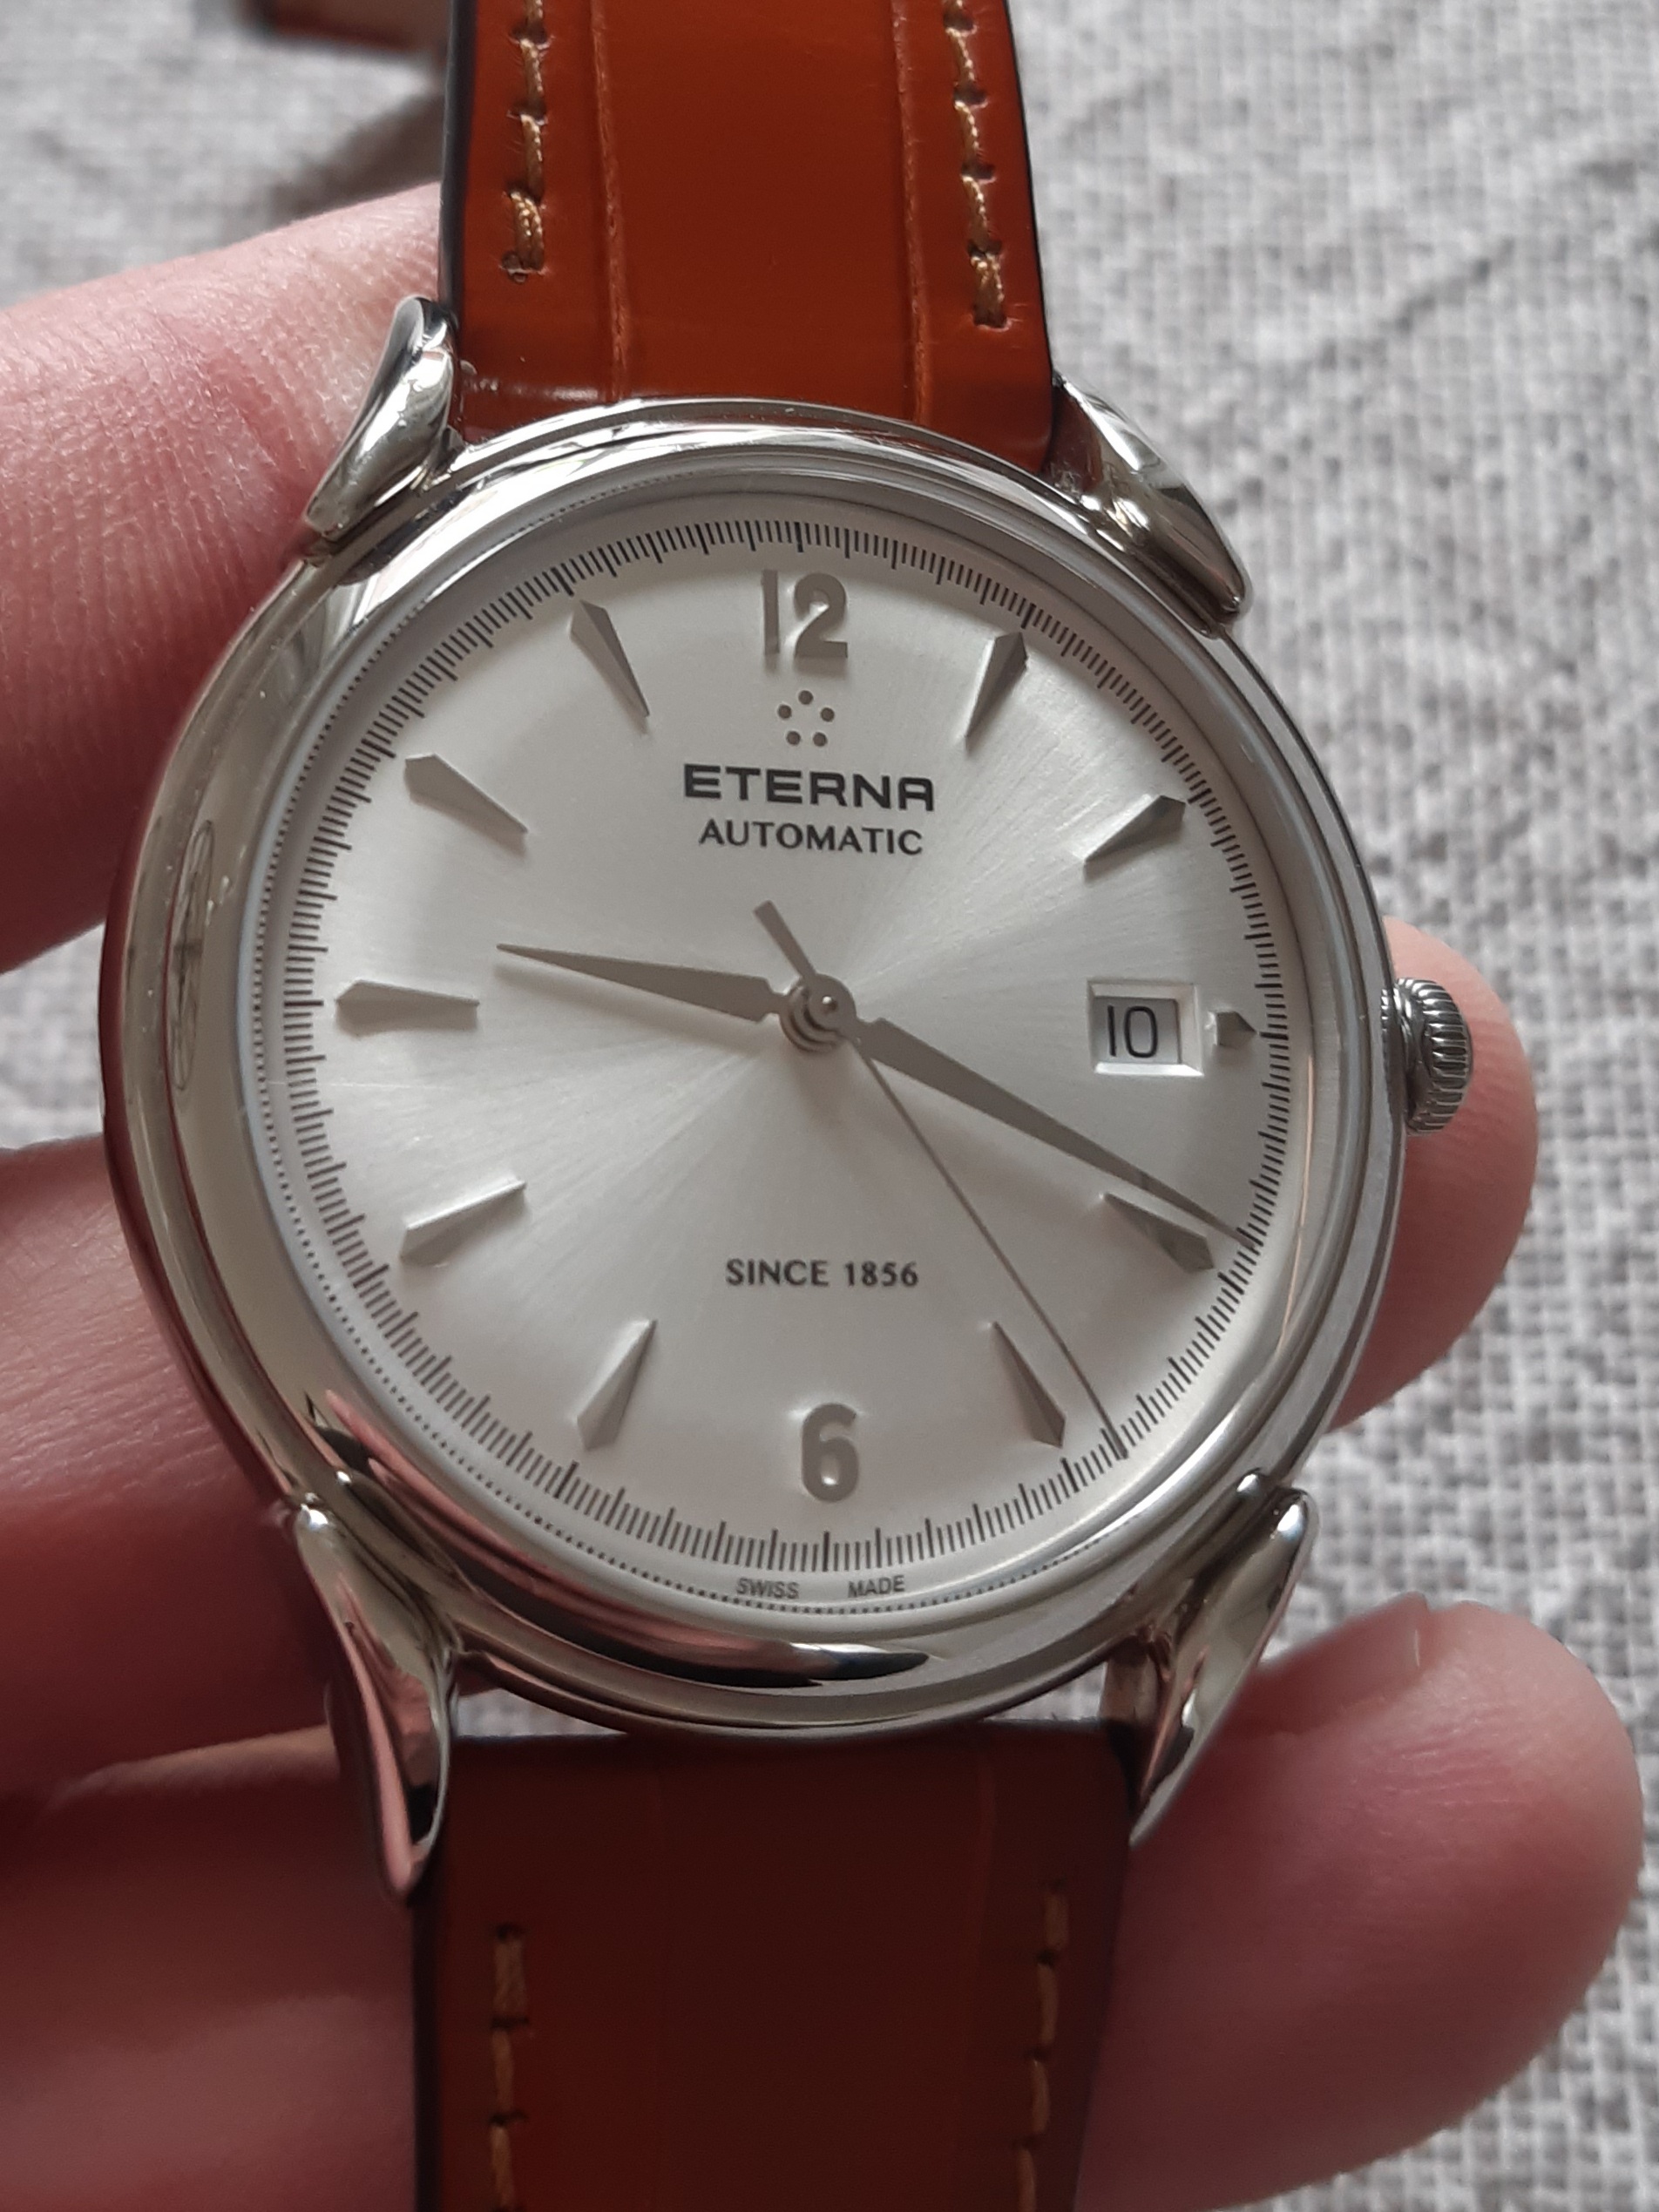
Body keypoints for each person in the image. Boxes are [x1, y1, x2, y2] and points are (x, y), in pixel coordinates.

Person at [0, 188, 1641, 2211]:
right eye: (797, 1009)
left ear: (1380, 1054)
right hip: (508, 1560)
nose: (820, 1009)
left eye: (824, 1001)